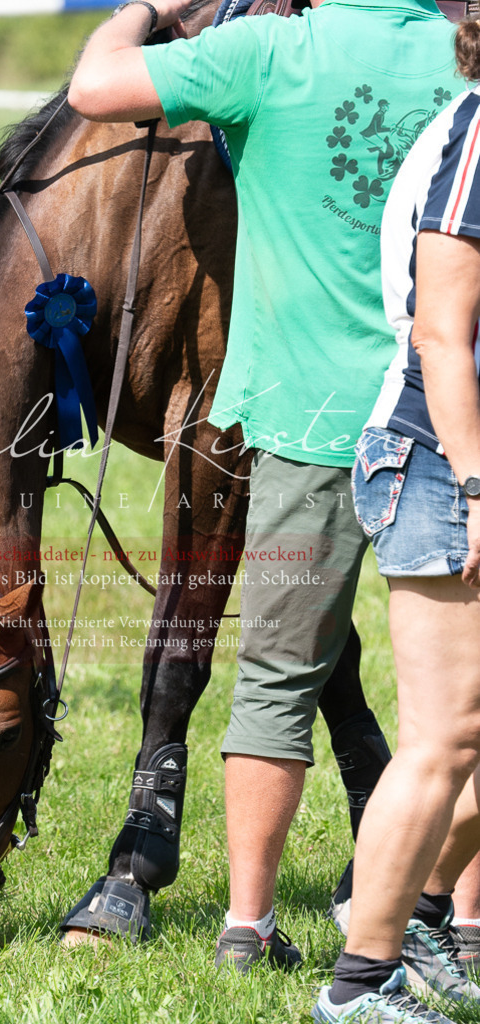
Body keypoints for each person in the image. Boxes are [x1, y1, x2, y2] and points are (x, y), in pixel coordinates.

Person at [67, 0, 465, 985]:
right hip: (443, 418)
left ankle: (246, 924)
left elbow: (94, 88)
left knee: (276, 681)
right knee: (459, 709)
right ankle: (456, 918)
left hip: (305, 418)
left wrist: (146, 9)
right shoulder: (463, 54)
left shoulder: (265, 51)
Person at [313, 17, 480, 1022]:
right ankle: (358, 982)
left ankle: (411, 914)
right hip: (440, 464)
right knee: (442, 741)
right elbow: (441, 335)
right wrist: (476, 488)